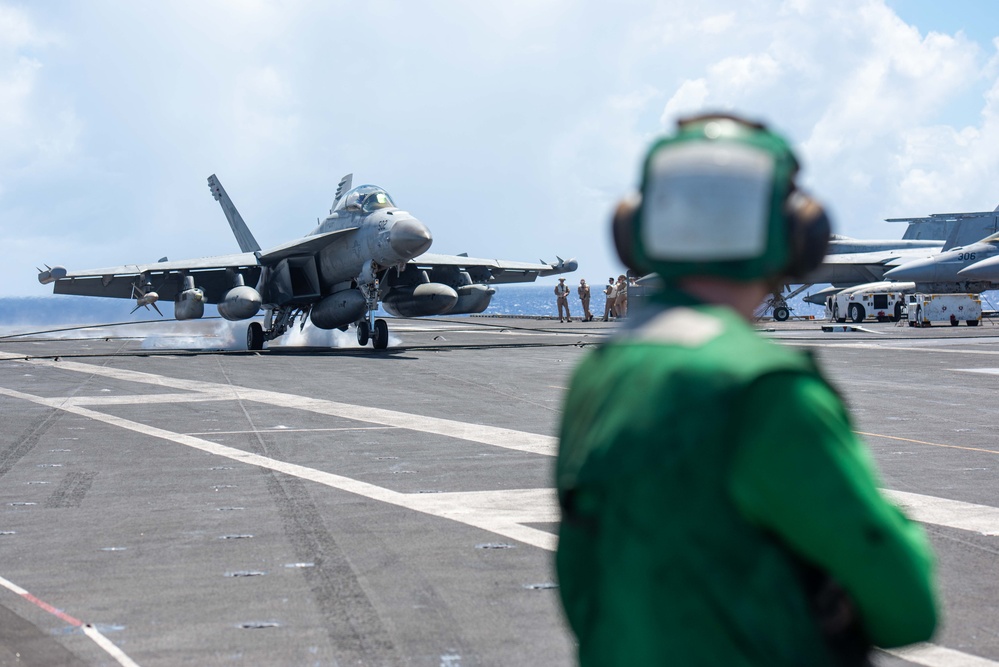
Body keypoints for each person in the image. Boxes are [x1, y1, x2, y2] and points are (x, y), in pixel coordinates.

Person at [556, 113, 937, 666]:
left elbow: (581, 580)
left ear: (634, 231)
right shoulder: (765, 390)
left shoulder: (598, 376)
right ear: (798, 235)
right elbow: (908, 607)